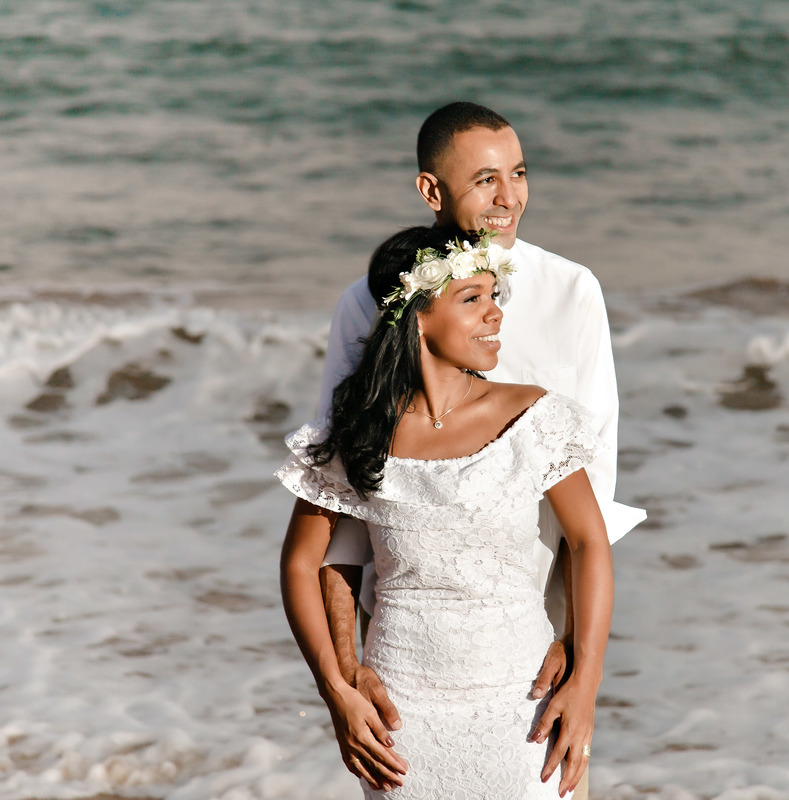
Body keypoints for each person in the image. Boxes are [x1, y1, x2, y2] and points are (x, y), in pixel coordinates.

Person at [316, 102, 645, 796]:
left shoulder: (570, 293)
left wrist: (580, 657)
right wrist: (344, 680)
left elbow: (596, 504)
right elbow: (336, 518)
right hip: (406, 650)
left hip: (538, 652)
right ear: (432, 192)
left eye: (519, 174)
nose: (509, 198)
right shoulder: (367, 304)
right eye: (486, 180)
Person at [278, 225, 614, 798]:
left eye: (494, 296)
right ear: (416, 316)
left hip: (523, 704)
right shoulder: (360, 429)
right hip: (401, 718)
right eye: (472, 298)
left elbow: (589, 543)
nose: (495, 315)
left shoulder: (532, 416)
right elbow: (302, 564)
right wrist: (337, 688)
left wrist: (585, 683)